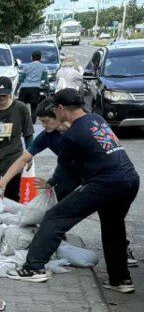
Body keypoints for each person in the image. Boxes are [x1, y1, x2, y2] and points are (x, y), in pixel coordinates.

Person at [10, 87, 138, 293]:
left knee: (55, 216)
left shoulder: (72, 134)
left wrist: (53, 185)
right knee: (113, 226)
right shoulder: (97, 119)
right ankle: (120, 279)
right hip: (130, 179)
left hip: (106, 183)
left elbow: (65, 170)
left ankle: (32, 268)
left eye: (55, 110)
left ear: (61, 109)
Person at [0, 97, 78, 202]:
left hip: (94, 176)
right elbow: (24, 158)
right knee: (53, 213)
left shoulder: (79, 128)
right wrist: (4, 180)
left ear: (58, 115)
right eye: (41, 122)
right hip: (69, 178)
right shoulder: (47, 136)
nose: (43, 125)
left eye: (46, 121)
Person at [0, 76, 35, 202]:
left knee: (12, 198)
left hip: (14, 161)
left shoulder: (20, 108)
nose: (1, 98)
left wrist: (30, 156)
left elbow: (28, 134)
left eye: (4, 95)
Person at [18, 50, 48, 117]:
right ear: (40, 58)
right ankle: (33, 125)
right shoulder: (43, 67)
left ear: (31, 57)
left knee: (21, 108)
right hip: (35, 89)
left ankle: (22, 122)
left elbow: (21, 79)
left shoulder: (26, 66)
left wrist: (17, 88)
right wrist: (47, 90)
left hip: (24, 89)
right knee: (34, 108)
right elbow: (46, 79)